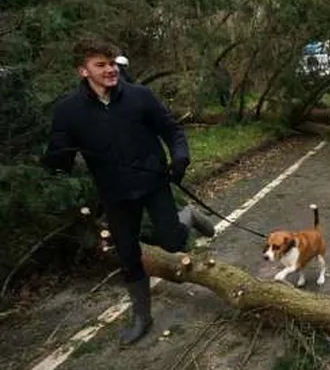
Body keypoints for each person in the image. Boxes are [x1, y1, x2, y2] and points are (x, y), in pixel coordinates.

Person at [42, 38, 215, 346]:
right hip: (115, 193)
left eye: (112, 63)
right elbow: (61, 162)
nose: (110, 70)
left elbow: (172, 130)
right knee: (129, 256)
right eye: (101, 65)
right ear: (83, 71)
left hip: (153, 182)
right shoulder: (68, 110)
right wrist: (55, 160)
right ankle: (142, 317)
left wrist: (180, 157)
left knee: (174, 242)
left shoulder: (139, 96)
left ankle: (187, 214)